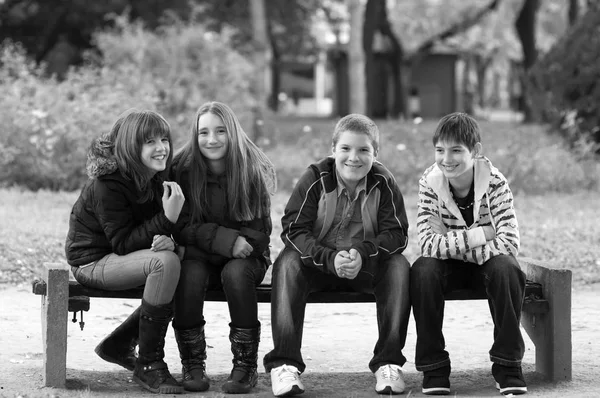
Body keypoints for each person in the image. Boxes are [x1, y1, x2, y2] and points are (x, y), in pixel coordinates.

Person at [263, 113, 411, 396]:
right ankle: (284, 364)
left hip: (364, 267)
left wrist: (363, 254)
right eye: (345, 149)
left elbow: (397, 234)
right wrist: (330, 258)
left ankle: (388, 363)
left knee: (399, 266)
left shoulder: (384, 182)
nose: (353, 158)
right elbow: (294, 230)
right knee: (287, 262)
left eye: (363, 150)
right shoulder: (315, 177)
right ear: (333, 150)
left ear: (375, 154)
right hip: (318, 265)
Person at [65, 109, 186, 395]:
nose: (161, 148)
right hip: (92, 262)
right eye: (150, 142)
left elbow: (152, 234)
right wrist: (166, 220)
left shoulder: (155, 177)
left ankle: (119, 344)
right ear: (132, 147)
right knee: (164, 264)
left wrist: (169, 238)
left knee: (180, 260)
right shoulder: (109, 183)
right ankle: (149, 364)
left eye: (164, 139)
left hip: (125, 258)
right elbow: (122, 242)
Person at [411, 112, 526, 396]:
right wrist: (480, 234)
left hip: (487, 267)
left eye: (456, 150)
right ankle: (434, 367)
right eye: (440, 150)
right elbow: (427, 244)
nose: (446, 159)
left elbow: (509, 243)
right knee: (423, 269)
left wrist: (454, 245)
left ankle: (507, 365)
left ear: (475, 151)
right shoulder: (430, 183)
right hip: (446, 268)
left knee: (507, 268)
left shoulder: (495, 183)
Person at [170, 101, 276, 394]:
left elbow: (258, 236)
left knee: (236, 274)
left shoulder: (251, 170)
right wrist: (225, 241)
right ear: (195, 135)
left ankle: (245, 366)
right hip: (201, 256)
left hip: (247, 258)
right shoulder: (183, 171)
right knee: (189, 274)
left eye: (220, 131)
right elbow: (180, 227)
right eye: (204, 132)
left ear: (232, 133)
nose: (212, 139)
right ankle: (192, 363)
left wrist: (234, 246)